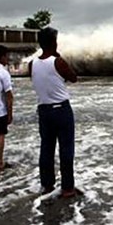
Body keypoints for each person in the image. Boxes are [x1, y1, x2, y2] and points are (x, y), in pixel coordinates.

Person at [29, 27, 78, 198]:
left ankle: (47, 185)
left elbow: (41, 79)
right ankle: (67, 188)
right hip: (61, 110)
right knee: (66, 149)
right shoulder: (58, 62)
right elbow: (73, 77)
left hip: (44, 110)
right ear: (53, 42)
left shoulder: (32, 63)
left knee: (46, 148)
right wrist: (59, 58)